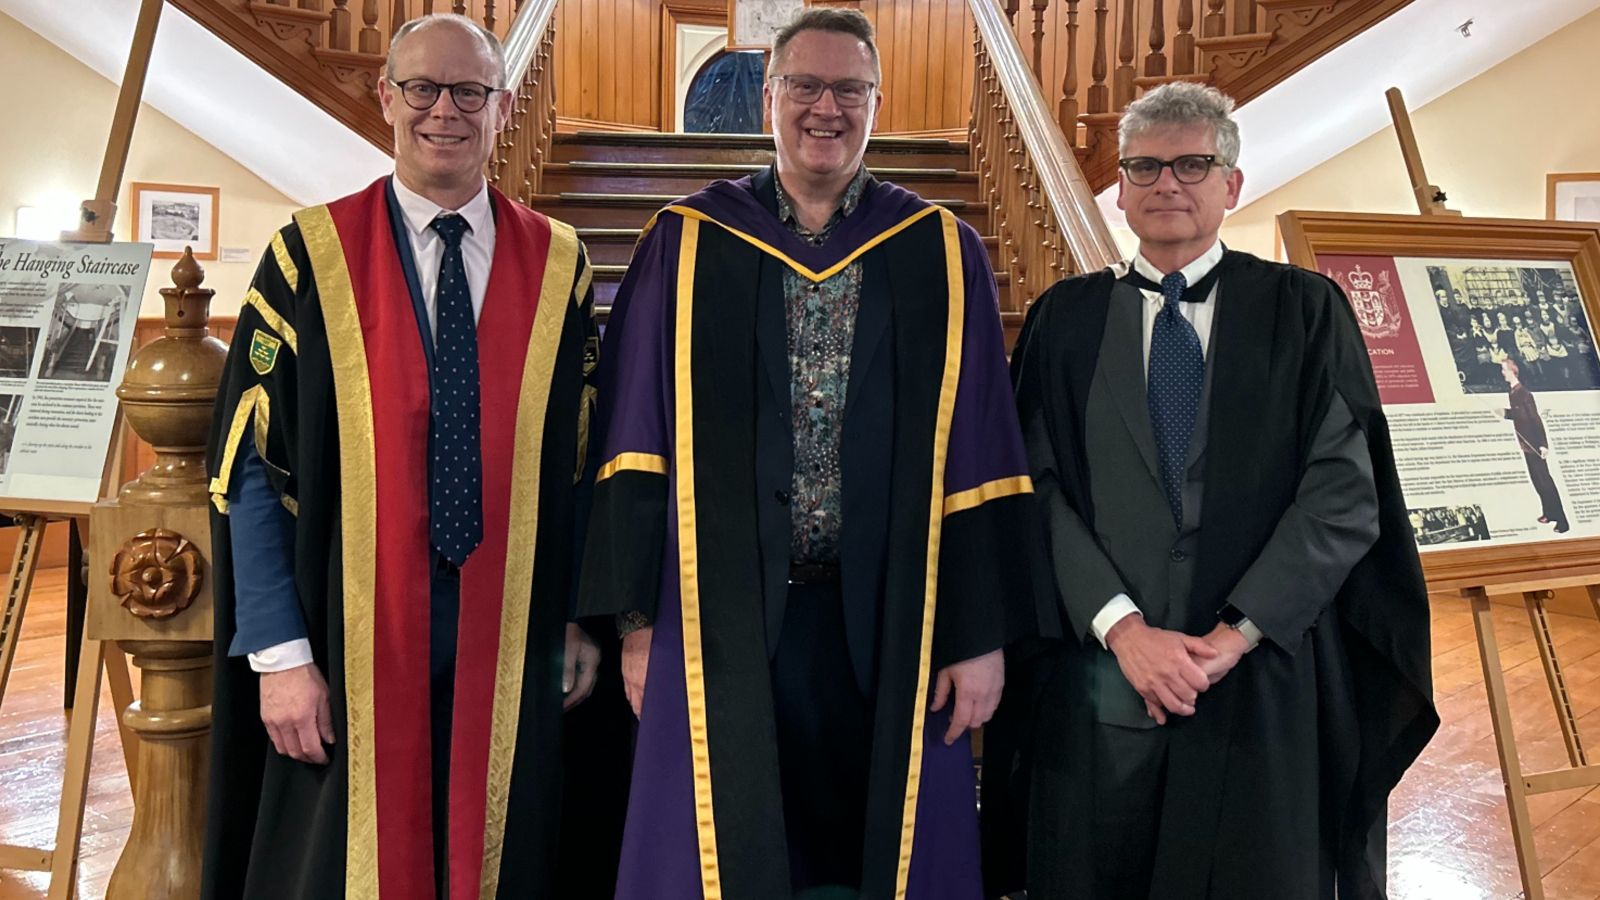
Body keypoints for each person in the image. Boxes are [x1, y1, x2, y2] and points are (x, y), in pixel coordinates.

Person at [576, 8, 1044, 898]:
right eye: (805, 85)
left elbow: (984, 450)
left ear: (877, 102)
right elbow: (633, 439)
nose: (825, 108)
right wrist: (638, 623)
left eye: (849, 89)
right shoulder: (684, 243)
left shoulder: (943, 251)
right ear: (767, 96)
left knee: (880, 856)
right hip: (719, 613)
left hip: (895, 610)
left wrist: (979, 636)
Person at [990, 82, 1438, 900]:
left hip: (1258, 677)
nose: (1168, 183)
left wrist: (1232, 637)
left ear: (1231, 185)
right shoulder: (1063, 320)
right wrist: (1125, 631)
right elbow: (1035, 490)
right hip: (1101, 683)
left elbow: (1343, 490)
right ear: (1120, 189)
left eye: (1194, 164)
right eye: (1146, 167)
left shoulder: (1304, 311)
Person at [202, 14, 605, 898]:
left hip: (510, 632)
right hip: (349, 633)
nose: (444, 112)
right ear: (386, 96)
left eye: (469, 92)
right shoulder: (308, 258)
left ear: (501, 107)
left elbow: (578, 463)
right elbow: (250, 473)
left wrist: (577, 615)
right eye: (422, 88)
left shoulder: (559, 262)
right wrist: (278, 653)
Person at [1502, 358, 1570, 533]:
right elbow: (1520, 415)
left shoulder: (1524, 394)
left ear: (1512, 371)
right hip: (1526, 445)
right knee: (1537, 482)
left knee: (1545, 482)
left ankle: (1562, 521)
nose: (1502, 373)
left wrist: (1543, 444)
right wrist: (1505, 413)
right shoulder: (1512, 392)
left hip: (1534, 444)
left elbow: (1535, 419)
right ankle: (1549, 513)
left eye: (1503, 369)